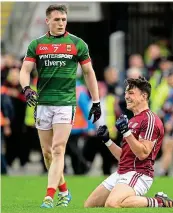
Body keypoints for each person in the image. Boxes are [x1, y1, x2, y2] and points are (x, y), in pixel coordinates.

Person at [19, 4, 101, 208]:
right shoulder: (37, 44)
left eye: (64, 19)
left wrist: (96, 101)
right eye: (57, 19)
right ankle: (64, 191)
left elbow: (89, 73)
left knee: (58, 149)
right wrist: (27, 88)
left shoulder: (77, 44)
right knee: (47, 153)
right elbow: (25, 69)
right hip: (43, 104)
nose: (61, 23)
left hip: (65, 104)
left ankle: (49, 195)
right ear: (47, 21)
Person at [84, 77, 173, 208]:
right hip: (122, 172)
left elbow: (142, 154)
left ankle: (159, 202)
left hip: (139, 173)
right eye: (125, 93)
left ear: (144, 96)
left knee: (112, 204)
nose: (126, 97)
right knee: (89, 206)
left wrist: (126, 132)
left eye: (131, 93)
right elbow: (123, 157)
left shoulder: (150, 119)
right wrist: (107, 140)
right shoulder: (132, 120)